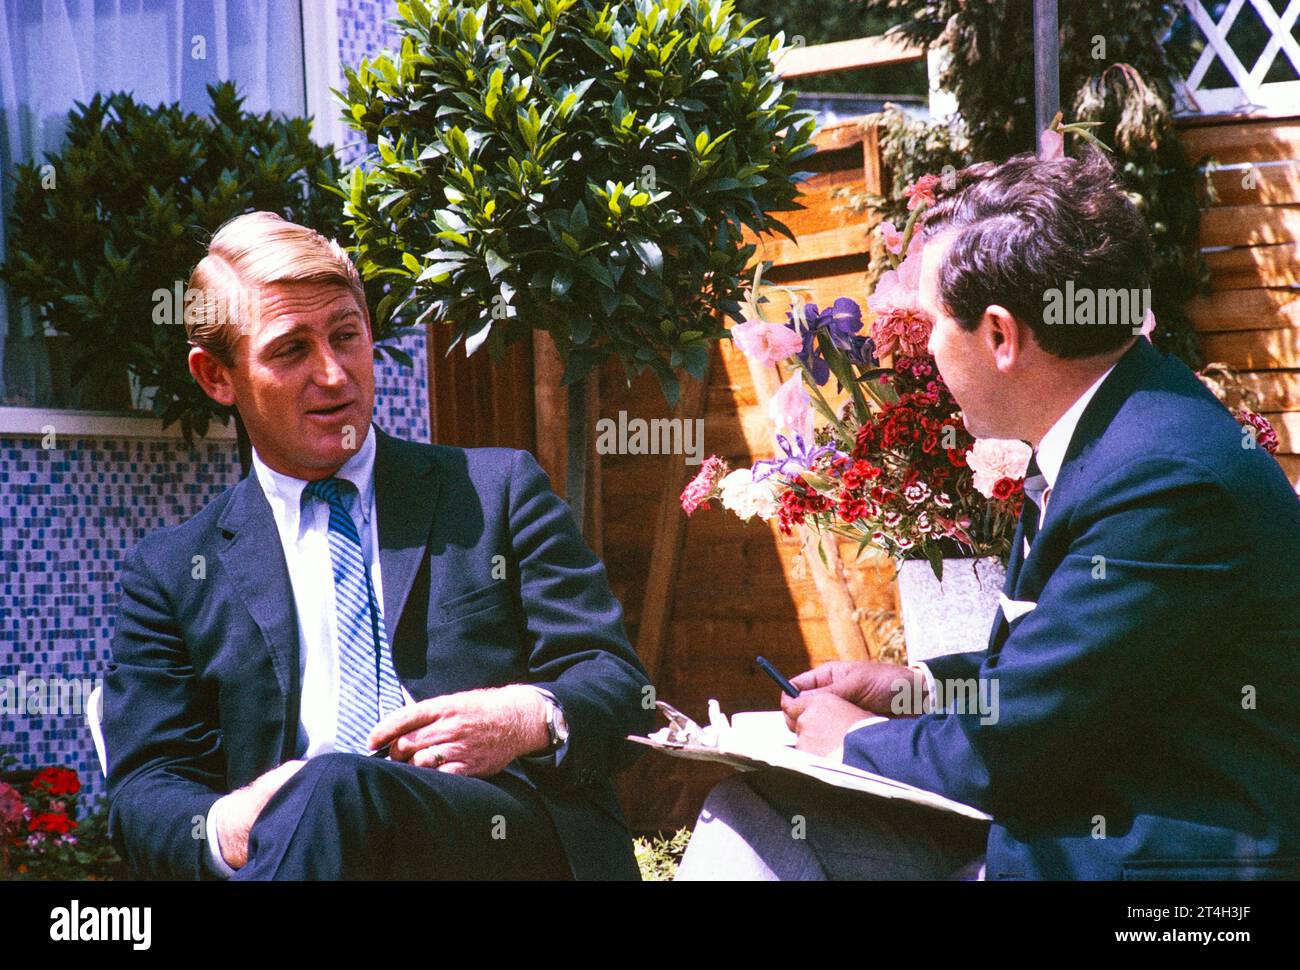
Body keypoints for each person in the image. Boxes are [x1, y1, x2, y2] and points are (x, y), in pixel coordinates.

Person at [677, 147, 1300, 880]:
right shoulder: (1127, 429)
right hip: (1078, 829)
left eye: (933, 323)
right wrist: (917, 687)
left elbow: (1017, 744)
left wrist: (854, 742)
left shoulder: (1162, 479)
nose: (923, 350)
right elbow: (1079, 670)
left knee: (763, 822)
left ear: (1000, 336)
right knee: (760, 813)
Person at [103, 211, 655, 880]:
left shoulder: (493, 492)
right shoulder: (171, 573)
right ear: (217, 377)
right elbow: (145, 791)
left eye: (346, 336)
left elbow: (621, 687)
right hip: (302, 850)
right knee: (325, 797)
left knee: (339, 786)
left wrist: (518, 717)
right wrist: (236, 818)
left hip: (505, 838)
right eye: (292, 350)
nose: (334, 375)